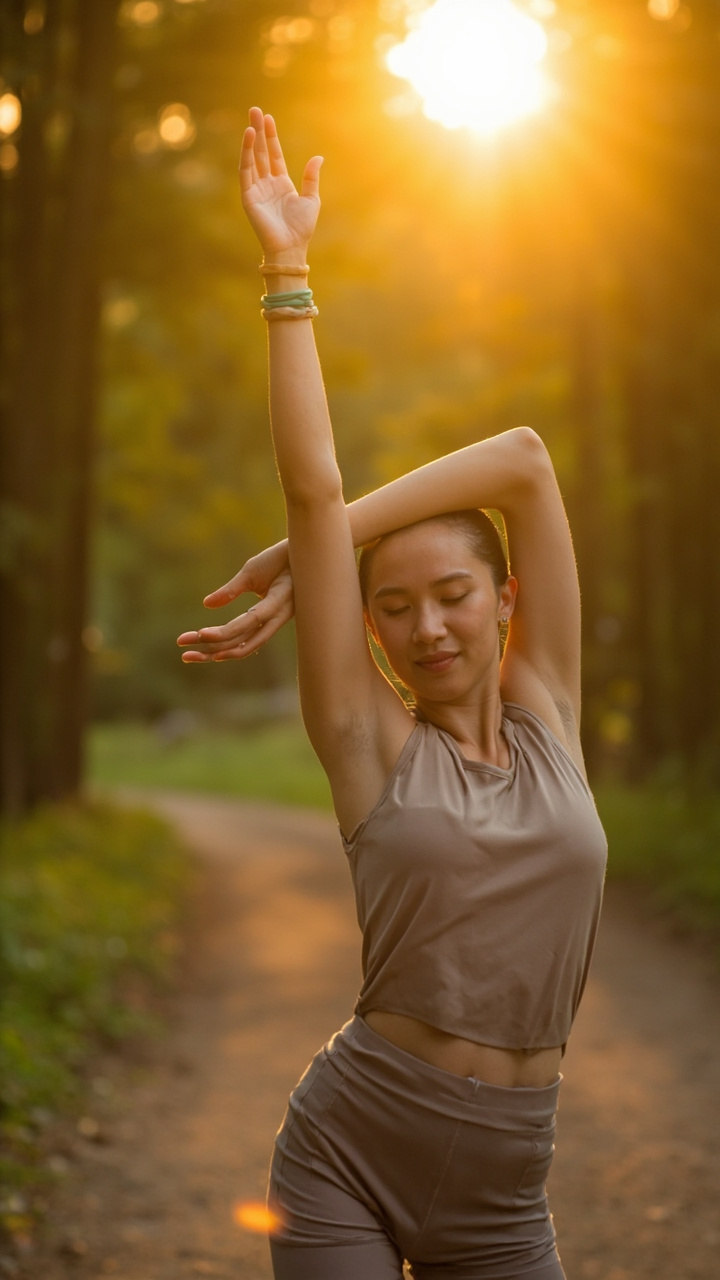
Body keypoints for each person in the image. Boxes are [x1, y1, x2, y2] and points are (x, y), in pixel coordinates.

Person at [178, 107, 607, 1280]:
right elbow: (315, 490)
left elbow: (522, 453)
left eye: (454, 592)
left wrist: (306, 558)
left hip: (507, 1198)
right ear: (366, 629)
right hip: (347, 1159)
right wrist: (286, 269)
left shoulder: (551, 715)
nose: (427, 624)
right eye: (393, 605)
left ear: (507, 596)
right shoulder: (364, 741)